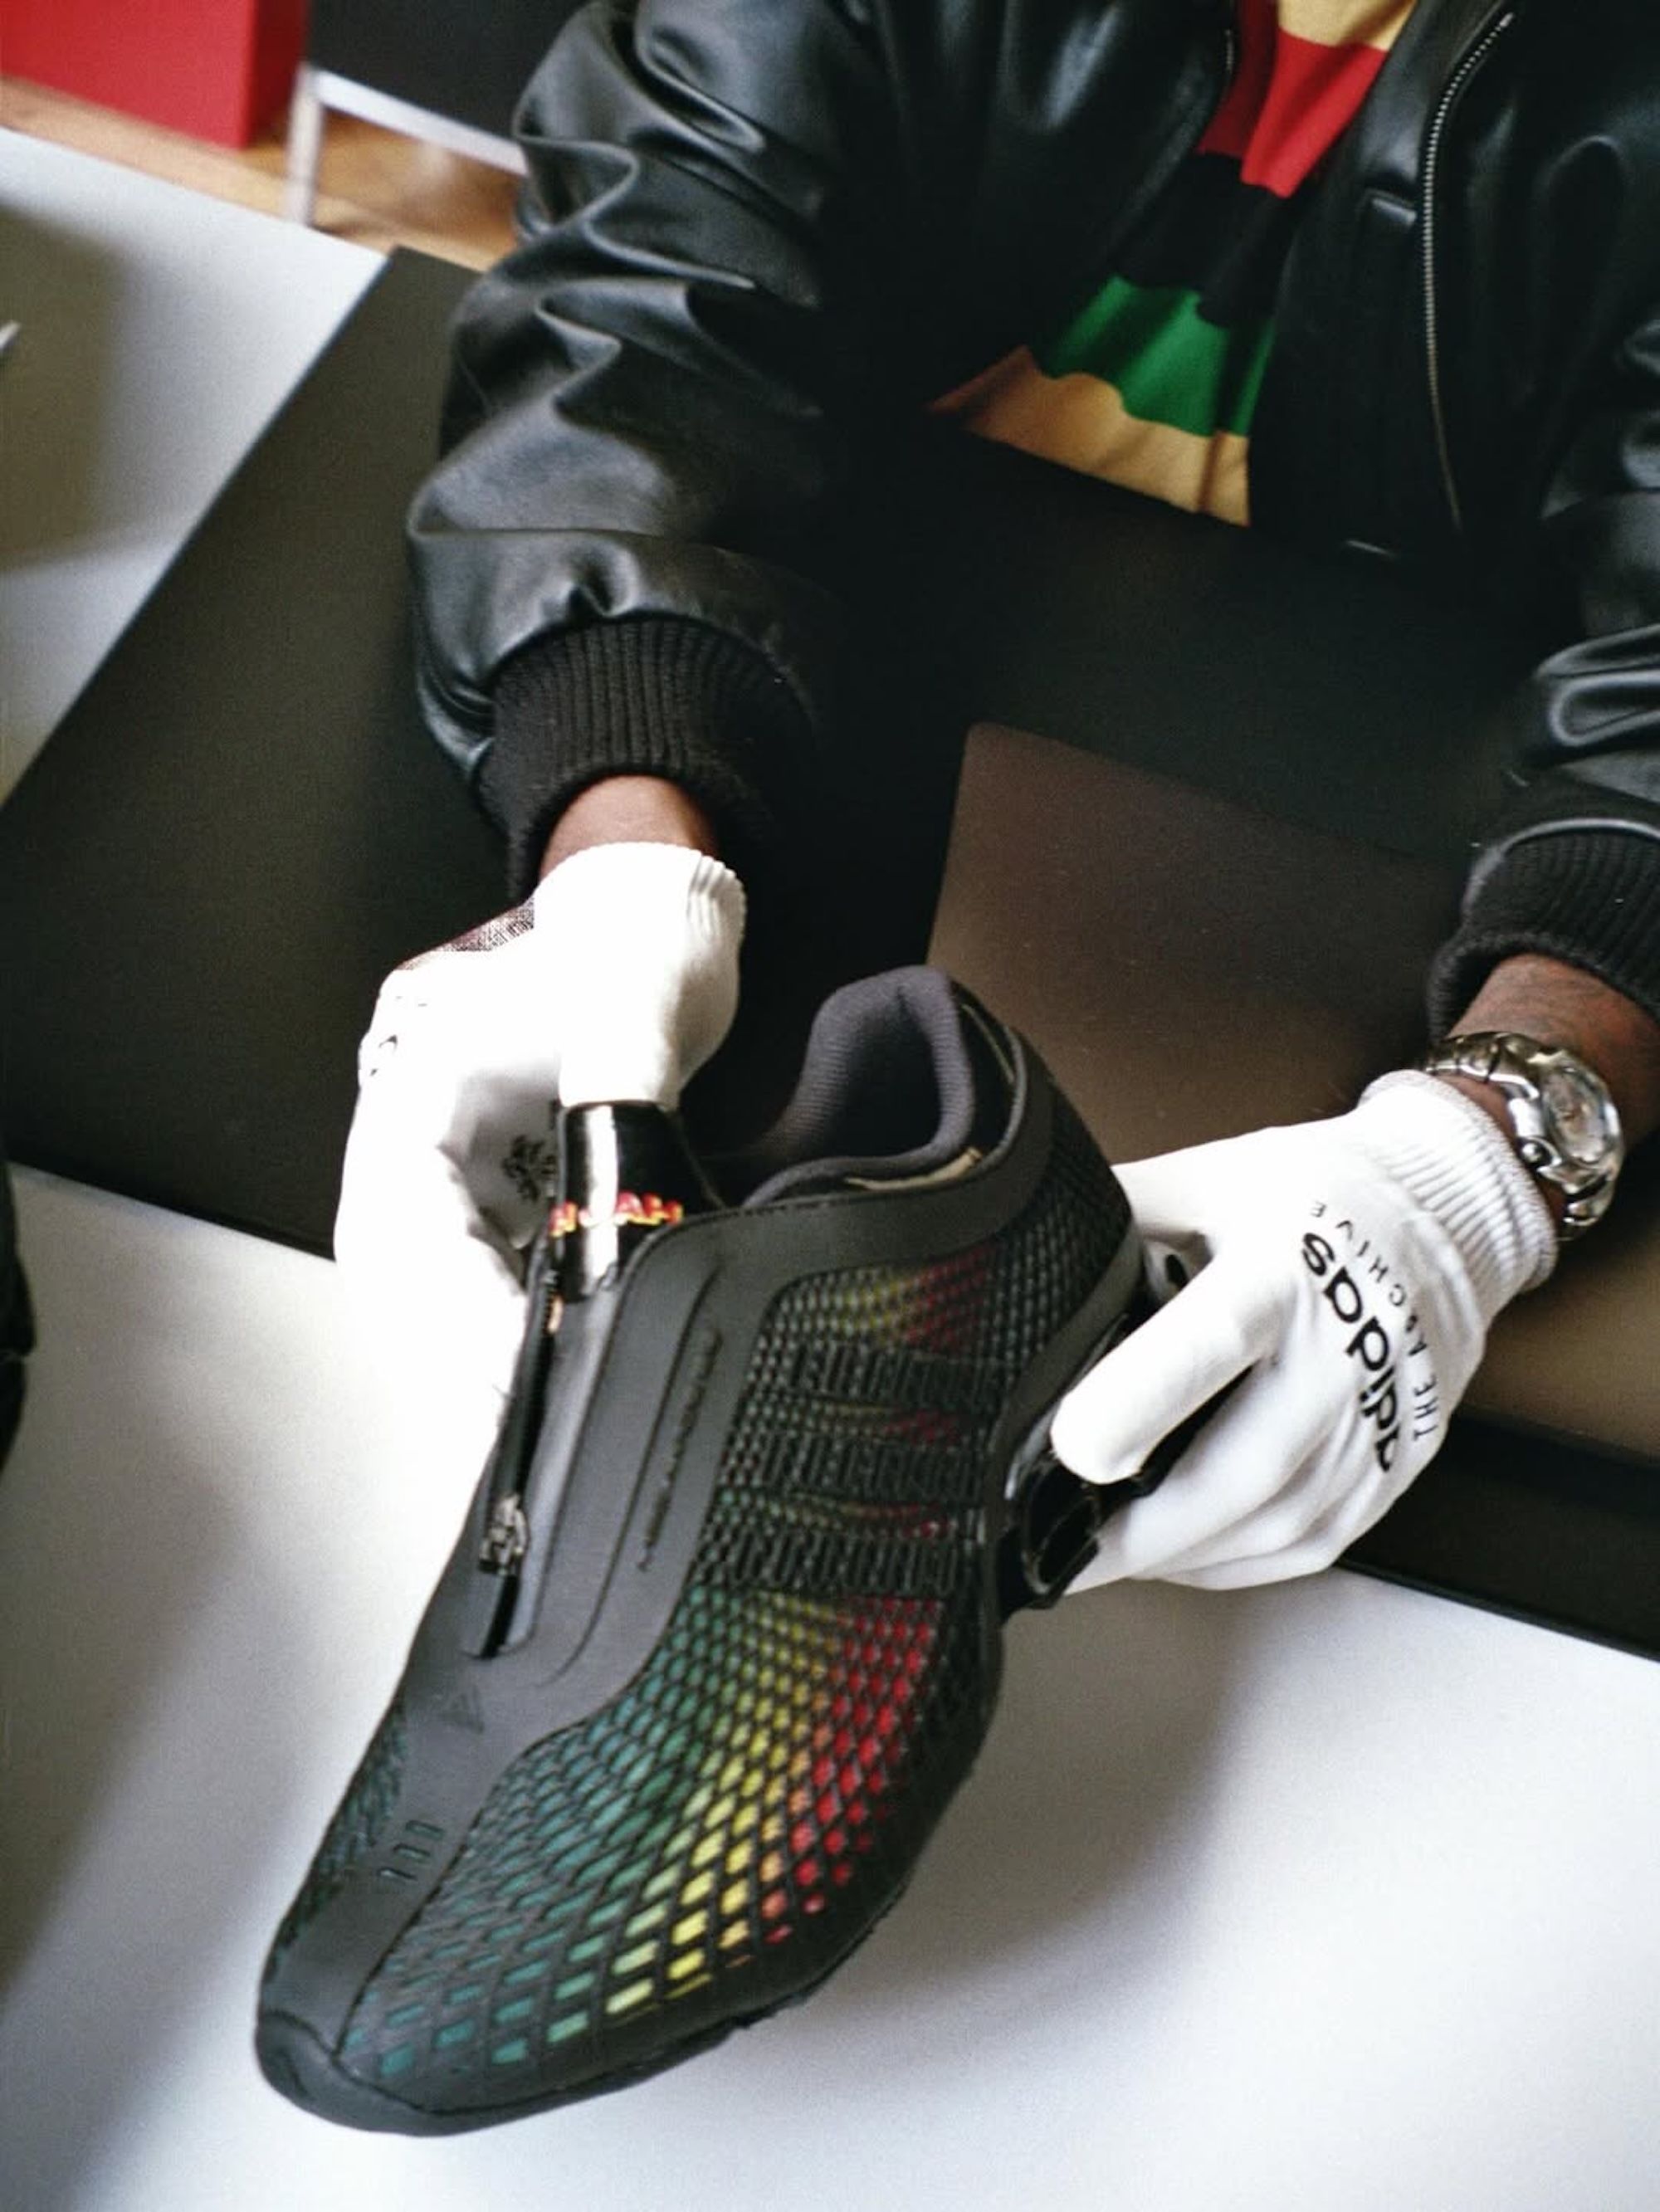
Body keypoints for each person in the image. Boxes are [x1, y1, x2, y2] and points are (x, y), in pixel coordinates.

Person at [338, 0, 1660, 1591]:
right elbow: (639, 320)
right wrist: (615, 853)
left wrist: (1493, 1152)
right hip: (798, 727)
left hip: (1454, 865)